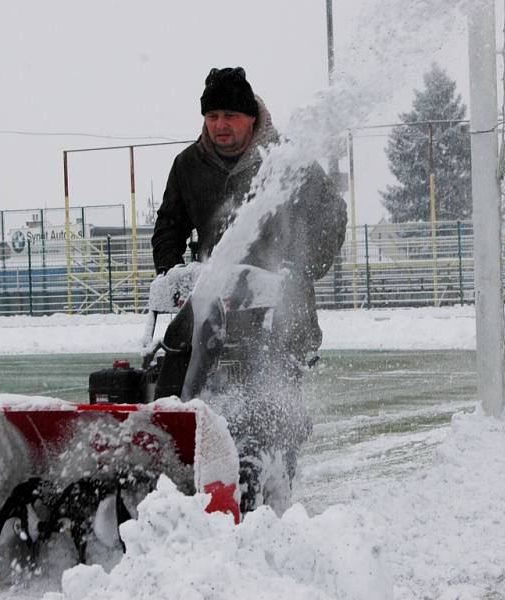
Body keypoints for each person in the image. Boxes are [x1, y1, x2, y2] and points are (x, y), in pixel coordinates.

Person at [151, 67, 347, 513]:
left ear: (252, 118)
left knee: (272, 405)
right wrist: (172, 274)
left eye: (231, 115)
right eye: (212, 115)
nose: (220, 125)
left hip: (280, 316)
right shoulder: (188, 166)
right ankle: (170, 480)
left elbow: (332, 216)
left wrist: (297, 270)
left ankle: (271, 499)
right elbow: (169, 228)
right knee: (173, 387)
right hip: (209, 313)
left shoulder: (287, 161)